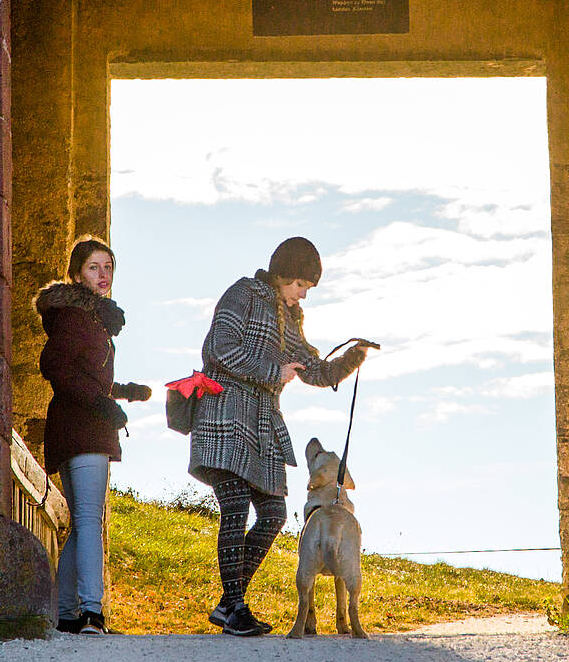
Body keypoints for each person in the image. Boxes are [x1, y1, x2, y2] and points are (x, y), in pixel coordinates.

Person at [189, 236, 368, 637]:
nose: (303, 294)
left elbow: (314, 369)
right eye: (301, 284)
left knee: (273, 514)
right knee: (235, 504)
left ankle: (227, 604)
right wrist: (272, 372)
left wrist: (351, 360)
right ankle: (235, 607)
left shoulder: (291, 319)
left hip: (263, 425)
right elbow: (219, 349)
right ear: (284, 274)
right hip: (225, 413)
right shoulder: (243, 294)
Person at [35, 235, 152, 635]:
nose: (103, 275)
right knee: (89, 519)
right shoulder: (74, 316)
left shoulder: (91, 318)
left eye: (108, 267)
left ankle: (65, 611)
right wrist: (101, 403)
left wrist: (123, 392)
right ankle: (91, 612)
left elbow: (83, 376)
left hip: (80, 424)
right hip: (82, 427)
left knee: (83, 521)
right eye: (93, 268)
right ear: (76, 274)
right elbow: (53, 365)